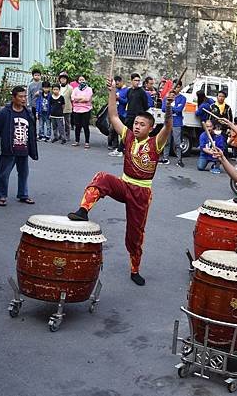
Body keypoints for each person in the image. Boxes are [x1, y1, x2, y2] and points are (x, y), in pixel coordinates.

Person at [67, 78, 174, 286]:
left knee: (134, 235)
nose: (137, 126)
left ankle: (135, 269)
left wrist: (169, 105)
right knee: (102, 178)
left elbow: (168, 126)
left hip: (141, 193)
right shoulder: (128, 136)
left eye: (142, 124)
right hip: (124, 185)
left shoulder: (156, 143)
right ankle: (83, 210)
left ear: (150, 129)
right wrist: (112, 91)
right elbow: (114, 115)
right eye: (136, 123)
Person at [0, 86, 38, 206]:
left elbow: (32, 130)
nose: (23, 99)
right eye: (20, 96)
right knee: (4, 172)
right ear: (13, 98)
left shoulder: (28, 112)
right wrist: (4, 142)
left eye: (25, 96)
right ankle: (2, 195)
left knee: (23, 173)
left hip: (23, 149)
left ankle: (23, 194)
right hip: (9, 149)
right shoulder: (5, 112)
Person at [160, 80, 186, 167]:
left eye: (177, 87)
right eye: (174, 87)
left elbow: (179, 110)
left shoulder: (182, 98)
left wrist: (170, 106)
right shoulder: (166, 97)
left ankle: (179, 160)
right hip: (167, 122)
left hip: (177, 123)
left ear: (180, 88)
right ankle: (165, 158)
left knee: (177, 142)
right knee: (166, 141)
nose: (175, 89)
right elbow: (163, 109)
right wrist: (172, 106)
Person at [71, 75, 93, 148]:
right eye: (80, 80)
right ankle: (77, 141)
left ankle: (87, 142)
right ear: (78, 81)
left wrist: (78, 99)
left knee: (85, 126)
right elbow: (72, 98)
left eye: (83, 80)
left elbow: (87, 99)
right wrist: (81, 98)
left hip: (86, 110)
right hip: (76, 110)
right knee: (77, 126)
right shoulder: (75, 89)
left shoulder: (89, 89)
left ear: (85, 80)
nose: (81, 81)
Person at [108, 76, 128, 157]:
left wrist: (119, 98)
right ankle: (115, 146)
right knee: (113, 130)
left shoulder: (127, 90)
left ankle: (121, 147)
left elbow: (126, 101)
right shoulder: (116, 89)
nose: (116, 85)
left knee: (121, 132)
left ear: (121, 82)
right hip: (115, 113)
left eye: (117, 83)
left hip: (123, 113)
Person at [58, 73, 73, 142]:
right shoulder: (57, 87)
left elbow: (72, 98)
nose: (63, 80)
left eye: (64, 78)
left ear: (67, 80)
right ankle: (61, 135)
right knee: (59, 122)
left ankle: (67, 135)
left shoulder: (70, 88)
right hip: (58, 107)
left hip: (67, 107)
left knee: (67, 123)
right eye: (61, 78)